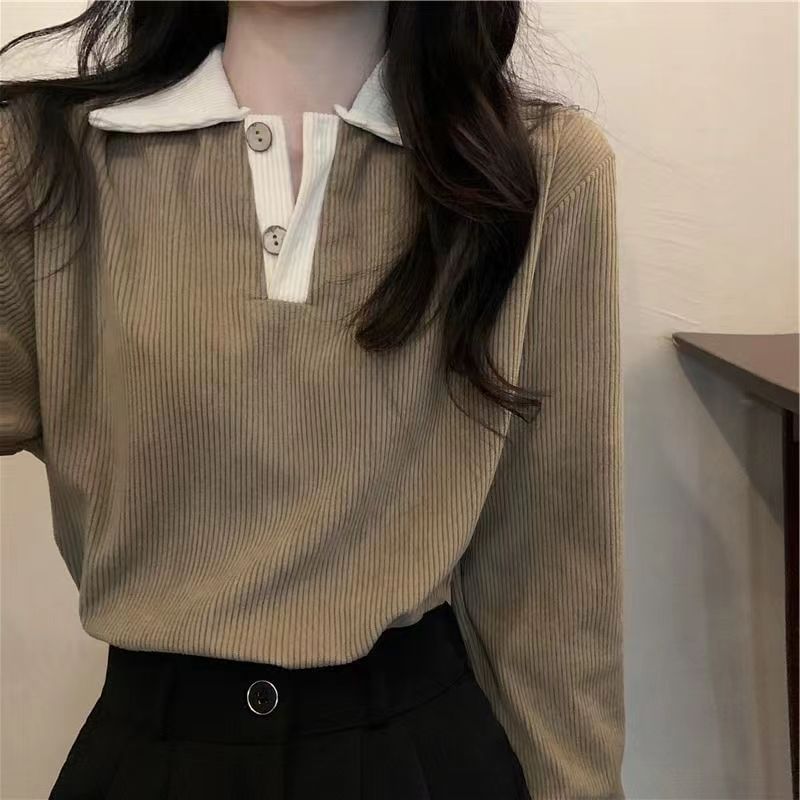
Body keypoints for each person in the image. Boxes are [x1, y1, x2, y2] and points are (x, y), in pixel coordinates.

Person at [0, 2, 625, 798]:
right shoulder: (37, 161)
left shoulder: (542, 167)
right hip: (151, 760)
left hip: (426, 762)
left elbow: (555, 584)